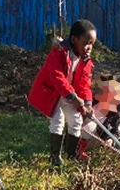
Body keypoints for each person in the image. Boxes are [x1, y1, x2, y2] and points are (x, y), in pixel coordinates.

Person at [28, 19, 97, 166]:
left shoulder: (85, 61)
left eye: (92, 44)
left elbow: (85, 84)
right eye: (86, 43)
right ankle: (55, 157)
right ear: (74, 39)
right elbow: (57, 77)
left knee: (76, 120)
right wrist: (73, 97)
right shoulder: (58, 53)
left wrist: (88, 103)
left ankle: (71, 154)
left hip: (69, 95)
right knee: (58, 119)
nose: (89, 47)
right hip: (52, 94)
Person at [78, 76, 120, 160]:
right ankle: (78, 150)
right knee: (90, 126)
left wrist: (111, 140)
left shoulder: (116, 112)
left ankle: (88, 148)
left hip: (97, 139)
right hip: (77, 135)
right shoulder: (90, 103)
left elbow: (116, 129)